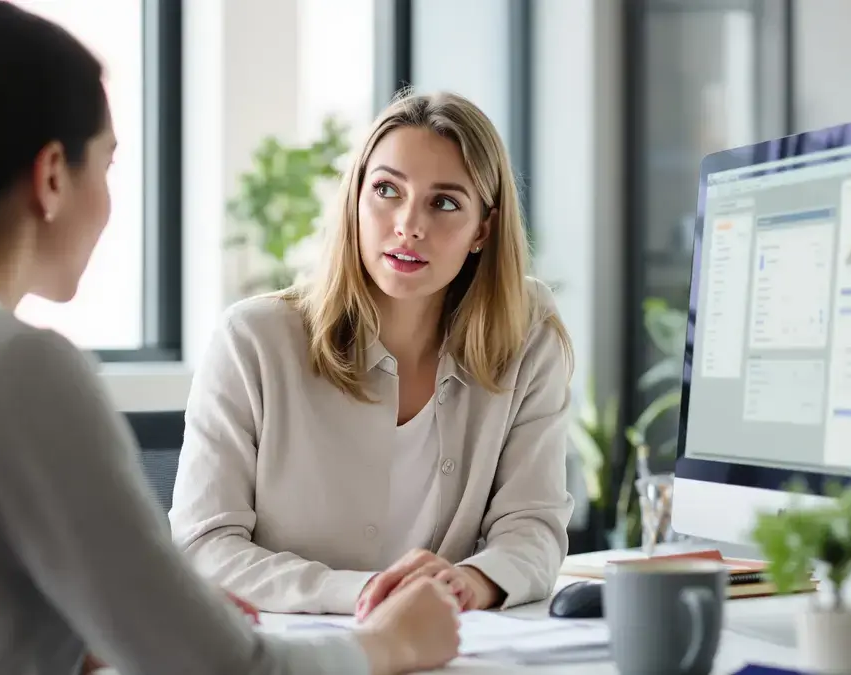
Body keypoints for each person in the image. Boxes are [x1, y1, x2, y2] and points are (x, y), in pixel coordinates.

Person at [0, 1, 461, 673]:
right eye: (108, 165)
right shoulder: (15, 369)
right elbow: (226, 670)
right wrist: (392, 643)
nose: (110, 202)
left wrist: (73, 635)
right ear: (52, 174)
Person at [170, 91, 575, 618]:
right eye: (387, 190)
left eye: (445, 201)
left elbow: (533, 526)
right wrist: (366, 593)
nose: (409, 224)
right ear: (355, 199)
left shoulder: (526, 333)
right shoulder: (253, 341)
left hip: (448, 651)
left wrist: (468, 584)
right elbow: (203, 548)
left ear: (483, 229)